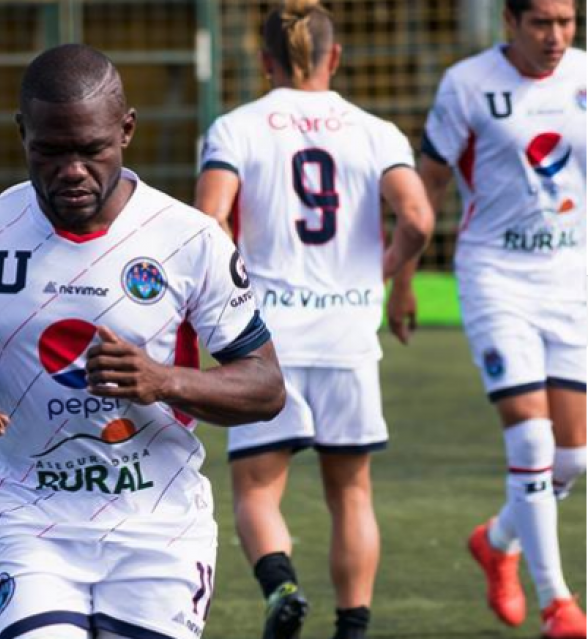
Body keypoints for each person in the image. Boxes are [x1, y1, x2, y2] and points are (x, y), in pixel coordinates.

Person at [0, 43, 287, 639]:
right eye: (50, 151)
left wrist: (164, 381)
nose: (71, 170)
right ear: (22, 133)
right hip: (34, 517)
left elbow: (266, 386)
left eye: (91, 150)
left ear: (126, 131)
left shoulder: (188, 240)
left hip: (159, 527)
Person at [194, 2, 434, 638]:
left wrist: (223, 299)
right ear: (335, 57)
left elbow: (210, 217)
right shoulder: (376, 131)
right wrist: (382, 276)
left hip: (266, 342)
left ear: (265, 61)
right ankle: (351, 629)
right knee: (351, 492)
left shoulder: (236, 128)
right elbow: (418, 218)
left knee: (256, 489)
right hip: (347, 336)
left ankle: (282, 586)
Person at [392, 0, 587, 637]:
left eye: (568, 21)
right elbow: (430, 186)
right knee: (530, 440)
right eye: (542, 23)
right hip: (495, 277)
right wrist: (403, 276)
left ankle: (498, 539)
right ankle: (558, 602)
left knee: (573, 459)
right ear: (510, 21)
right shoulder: (468, 84)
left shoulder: (584, 77)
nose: (556, 36)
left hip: (571, 281)